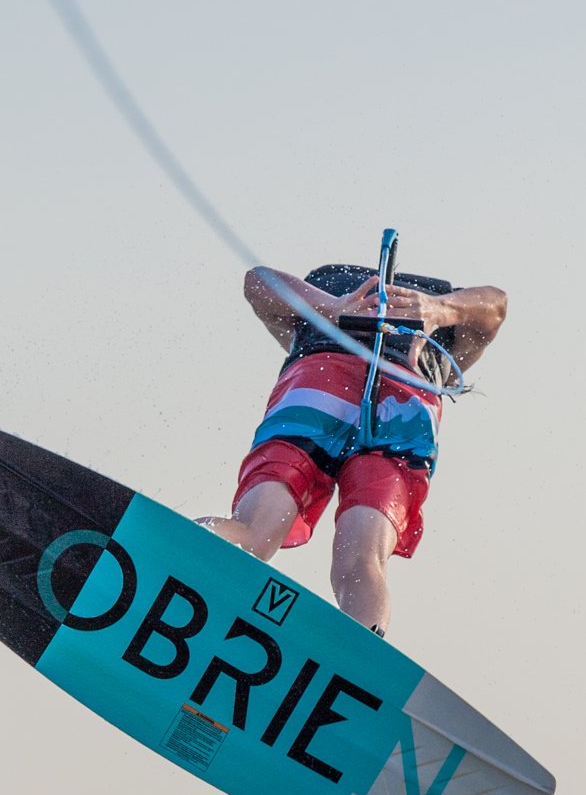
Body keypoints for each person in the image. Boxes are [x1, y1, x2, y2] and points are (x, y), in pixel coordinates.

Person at [199, 261, 507, 634]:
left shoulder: (307, 316)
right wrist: (440, 309)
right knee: (361, 564)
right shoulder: (453, 331)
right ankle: (360, 641)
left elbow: (258, 281)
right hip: (405, 405)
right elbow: (497, 305)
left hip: (321, 381)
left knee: (253, 531)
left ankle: (173, 548)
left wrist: (332, 307)